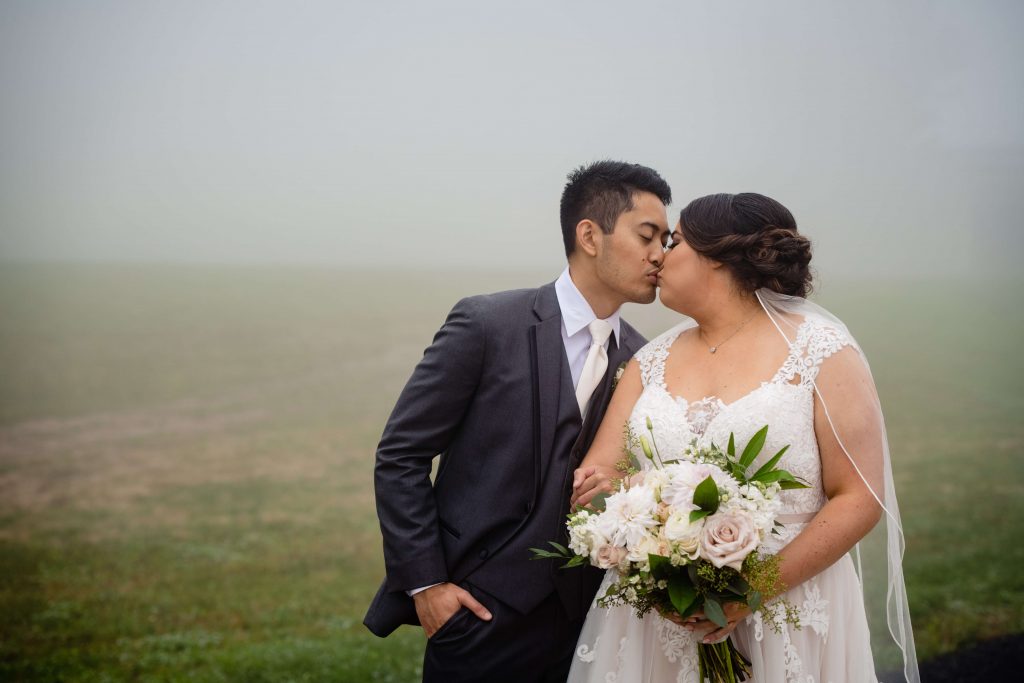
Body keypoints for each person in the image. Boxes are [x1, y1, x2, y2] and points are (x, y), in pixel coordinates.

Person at [567, 193, 919, 682]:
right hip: (660, 613)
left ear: (719, 256)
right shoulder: (649, 361)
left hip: (786, 607)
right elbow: (603, 474)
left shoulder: (822, 352)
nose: (660, 256)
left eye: (676, 241)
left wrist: (748, 592)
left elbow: (859, 496)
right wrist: (650, 542)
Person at [363, 160, 673, 682]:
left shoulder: (644, 360)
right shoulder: (486, 324)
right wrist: (428, 587)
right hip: (476, 615)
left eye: (666, 239)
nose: (660, 255)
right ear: (589, 235)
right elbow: (401, 455)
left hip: (591, 625)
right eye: (648, 235)